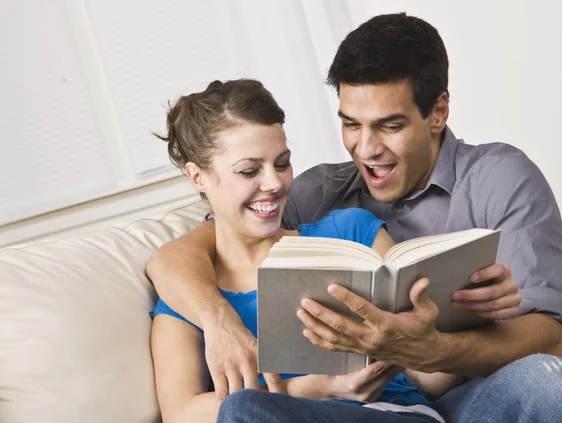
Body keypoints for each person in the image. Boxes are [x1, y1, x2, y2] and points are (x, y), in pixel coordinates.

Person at [147, 13, 562, 423]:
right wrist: (217, 319)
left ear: (437, 112)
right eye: (350, 123)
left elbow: (555, 342)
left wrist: (443, 338)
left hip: (464, 400)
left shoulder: (488, 181)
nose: (365, 149)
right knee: (246, 409)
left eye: (390, 125)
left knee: (561, 384)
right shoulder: (316, 193)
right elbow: (183, 254)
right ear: (198, 176)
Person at [150, 78, 513, 423]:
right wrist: (313, 389)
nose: (274, 184)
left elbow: (428, 379)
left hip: (395, 415)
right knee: (243, 410)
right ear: (197, 176)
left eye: (282, 163)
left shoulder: (350, 233)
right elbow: (182, 415)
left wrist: (458, 319)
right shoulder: (186, 299)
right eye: (249, 171)